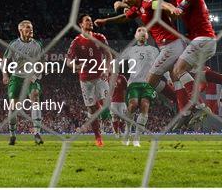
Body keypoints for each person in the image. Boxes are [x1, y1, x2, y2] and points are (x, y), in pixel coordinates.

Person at [67, 14, 112, 147]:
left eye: (91, 20)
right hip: (85, 80)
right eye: (87, 21)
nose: (90, 22)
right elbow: (68, 61)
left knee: (105, 103)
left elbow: (108, 55)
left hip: (100, 76)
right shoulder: (76, 42)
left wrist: (106, 69)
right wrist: (76, 66)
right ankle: (98, 138)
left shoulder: (100, 37)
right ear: (80, 24)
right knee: (92, 111)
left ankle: (104, 117)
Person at [2, 20, 45, 146]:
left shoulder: (37, 44)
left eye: (31, 28)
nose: (30, 30)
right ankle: (12, 135)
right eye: (27, 28)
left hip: (31, 77)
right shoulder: (14, 44)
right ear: (20, 30)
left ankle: (37, 133)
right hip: (16, 77)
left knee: (35, 96)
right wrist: (5, 74)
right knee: (13, 106)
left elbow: (42, 62)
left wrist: (36, 75)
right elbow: (5, 60)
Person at [120, 26, 160, 146]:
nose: (142, 32)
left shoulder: (154, 50)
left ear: (147, 36)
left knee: (144, 106)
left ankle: (136, 138)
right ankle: (127, 131)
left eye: (145, 31)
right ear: (135, 36)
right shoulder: (130, 50)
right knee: (132, 105)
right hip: (134, 83)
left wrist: (168, 78)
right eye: (139, 31)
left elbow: (161, 65)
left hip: (148, 83)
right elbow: (118, 60)